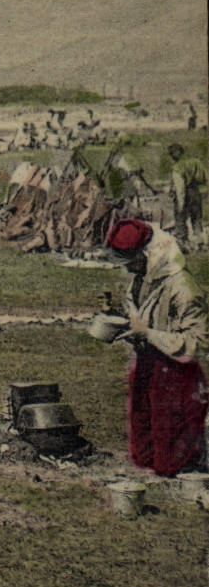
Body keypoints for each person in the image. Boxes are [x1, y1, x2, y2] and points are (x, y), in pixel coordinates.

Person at [96, 219, 206, 477]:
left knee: (170, 454)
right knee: (143, 448)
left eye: (131, 263)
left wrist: (148, 333)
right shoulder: (143, 278)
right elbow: (142, 315)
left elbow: (198, 342)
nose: (128, 271)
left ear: (147, 254)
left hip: (177, 374)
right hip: (148, 364)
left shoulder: (182, 287)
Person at [167, 143, 205, 247]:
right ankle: (200, 242)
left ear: (175, 153)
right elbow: (202, 178)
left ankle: (183, 243)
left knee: (180, 219)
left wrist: (180, 204)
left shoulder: (177, 167)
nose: (171, 157)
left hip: (185, 194)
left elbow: (180, 188)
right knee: (197, 218)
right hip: (195, 192)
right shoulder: (195, 162)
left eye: (171, 154)